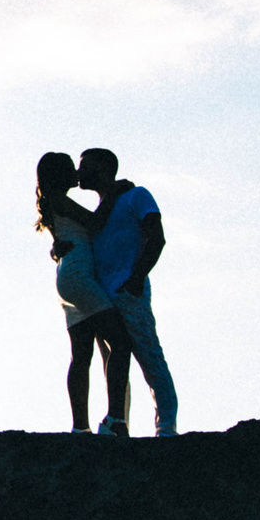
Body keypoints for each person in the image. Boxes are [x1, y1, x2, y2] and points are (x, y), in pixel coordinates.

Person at [79, 147, 178, 437]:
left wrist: (136, 279)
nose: (79, 172)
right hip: (101, 299)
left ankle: (166, 428)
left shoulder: (137, 196)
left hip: (127, 293)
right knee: (113, 366)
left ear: (105, 167)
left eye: (86, 165)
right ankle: (120, 425)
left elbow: (156, 237)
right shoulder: (97, 214)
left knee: (149, 358)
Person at [36, 151, 133, 434]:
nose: (77, 173)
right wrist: (114, 192)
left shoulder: (54, 202)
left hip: (70, 279)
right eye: (71, 168)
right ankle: (115, 418)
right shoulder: (60, 200)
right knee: (120, 341)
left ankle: (81, 428)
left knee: (81, 354)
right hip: (79, 278)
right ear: (60, 174)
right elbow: (94, 224)